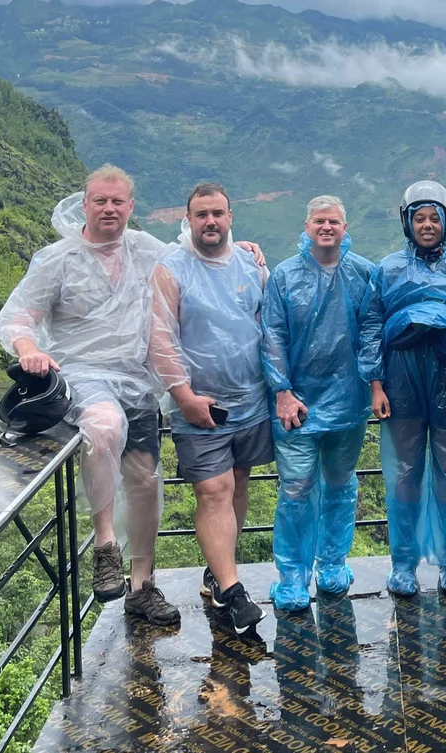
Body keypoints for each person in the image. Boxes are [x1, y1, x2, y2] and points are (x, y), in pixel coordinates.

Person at [0, 166, 180, 625]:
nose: (110, 209)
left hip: (138, 377)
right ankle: (104, 545)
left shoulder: (145, 250)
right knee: (102, 427)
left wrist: (243, 249)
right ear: (86, 203)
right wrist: (29, 348)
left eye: (118, 201)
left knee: (145, 481)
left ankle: (142, 587)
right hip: (82, 373)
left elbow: (191, 257)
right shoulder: (58, 259)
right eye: (101, 200)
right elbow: (19, 316)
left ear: (131, 206)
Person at [149, 182, 272, 634]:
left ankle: (219, 571)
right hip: (198, 404)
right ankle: (233, 591)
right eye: (201, 214)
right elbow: (160, 337)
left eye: (218, 213)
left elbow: (266, 324)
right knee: (214, 490)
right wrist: (182, 395)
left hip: (250, 400)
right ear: (189, 219)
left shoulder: (251, 263)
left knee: (238, 482)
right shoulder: (172, 268)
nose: (211, 222)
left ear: (231, 216)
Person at [360, 181, 446, 596]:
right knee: (405, 476)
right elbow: (370, 327)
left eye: (434, 217)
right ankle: (404, 565)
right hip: (401, 381)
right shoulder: (387, 270)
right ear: (407, 222)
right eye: (419, 218)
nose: (427, 225)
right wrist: (375, 386)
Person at [260, 195, 375, 612]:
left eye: (334, 221)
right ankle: (292, 576)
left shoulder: (364, 273)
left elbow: (374, 333)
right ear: (306, 227)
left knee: (341, 485)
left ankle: (332, 565)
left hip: (349, 402)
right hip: (296, 404)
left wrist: (374, 386)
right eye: (319, 221)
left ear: (346, 227)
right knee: (295, 488)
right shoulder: (285, 276)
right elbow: (272, 335)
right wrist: (282, 390)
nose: (327, 227)